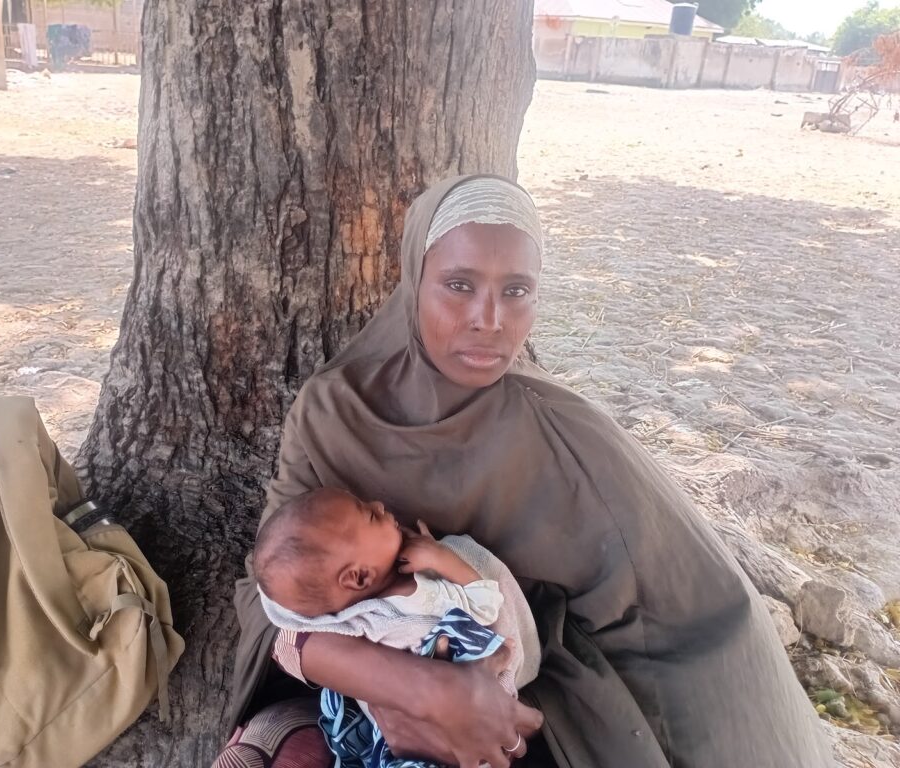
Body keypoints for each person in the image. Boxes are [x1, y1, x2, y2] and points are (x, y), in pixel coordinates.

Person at [220, 175, 833, 768]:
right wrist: (404, 687)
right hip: (365, 674)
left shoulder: (567, 436)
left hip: (526, 691)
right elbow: (267, 592)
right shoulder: (334, 412)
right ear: (413, 282)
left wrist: (478, 696)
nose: (489, 318)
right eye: (458, 284)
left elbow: (677, 616)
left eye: (517, 290)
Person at [254, 487, 540, 768]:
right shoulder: (364, 618)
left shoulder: (422, 588)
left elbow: (488, 609)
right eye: (370, 516)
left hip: (481, 712)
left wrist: (440, 558)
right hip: (400, 736)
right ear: (358, 577)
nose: (378, 504)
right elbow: (282, 636)